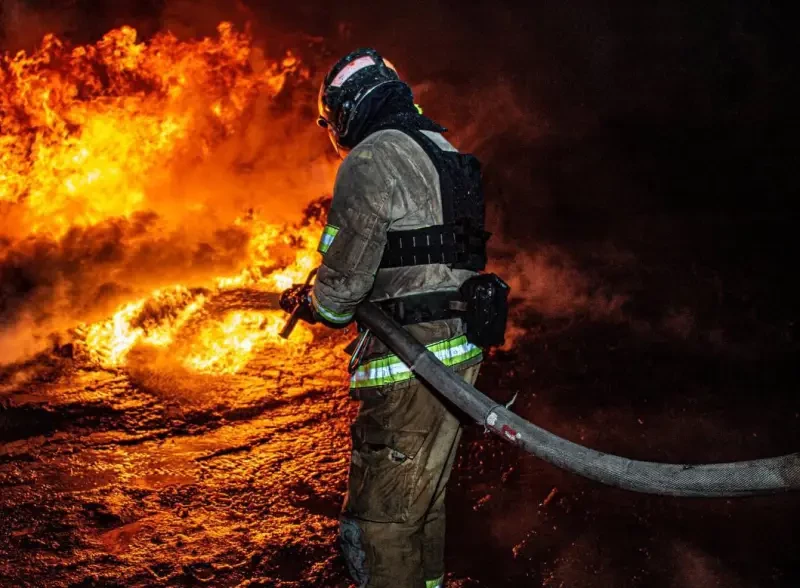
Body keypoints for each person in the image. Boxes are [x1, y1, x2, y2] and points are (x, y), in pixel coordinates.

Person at [281, 48, 492, 588]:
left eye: (330, 121)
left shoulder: (371, 159)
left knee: (379, 525)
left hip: (409, 366)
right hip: (460, 358)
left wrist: (314, 301)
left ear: (347, 111)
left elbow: (340, 294)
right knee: (423, 507)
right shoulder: (442, 148)